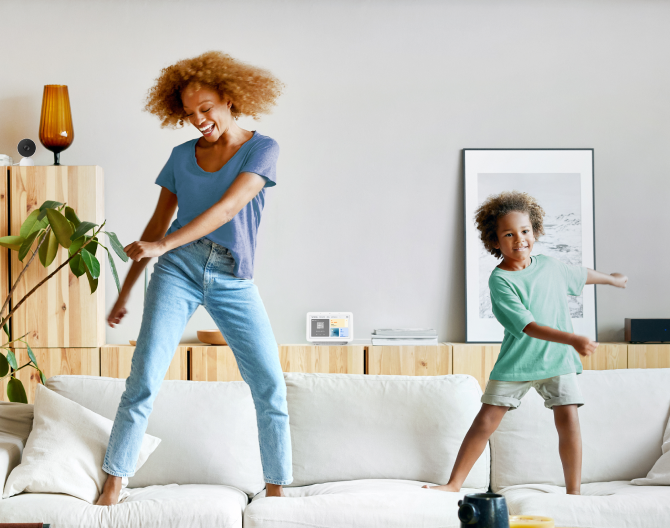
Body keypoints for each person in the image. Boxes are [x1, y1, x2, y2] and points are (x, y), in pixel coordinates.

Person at [97, 51, 292, 505]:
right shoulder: (180, 157)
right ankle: (113, 485)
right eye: (189, 114)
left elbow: (227, 208)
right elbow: (154, 226)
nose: (198, 120)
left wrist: (163, 243)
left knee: (269, 386)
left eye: (206, 108)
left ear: (230, 97)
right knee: (143, 380)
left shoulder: (262, 149)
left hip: (231, 275)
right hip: (177, 271)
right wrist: (125, 291)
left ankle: (278, 491)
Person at [425, 191, 627, 495]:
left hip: (557, 361)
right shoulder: (500, 281)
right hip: (517, 362)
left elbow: (581, 274)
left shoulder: (550, 265)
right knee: (485, 422)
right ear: (495, 241)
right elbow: (529, 326)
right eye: (509, 234)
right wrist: (572, 338)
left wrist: (612, 279)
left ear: (535, 232)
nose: (519, 239)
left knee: (568, 421)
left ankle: (574, 492)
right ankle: (454, 484)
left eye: (525, 231)